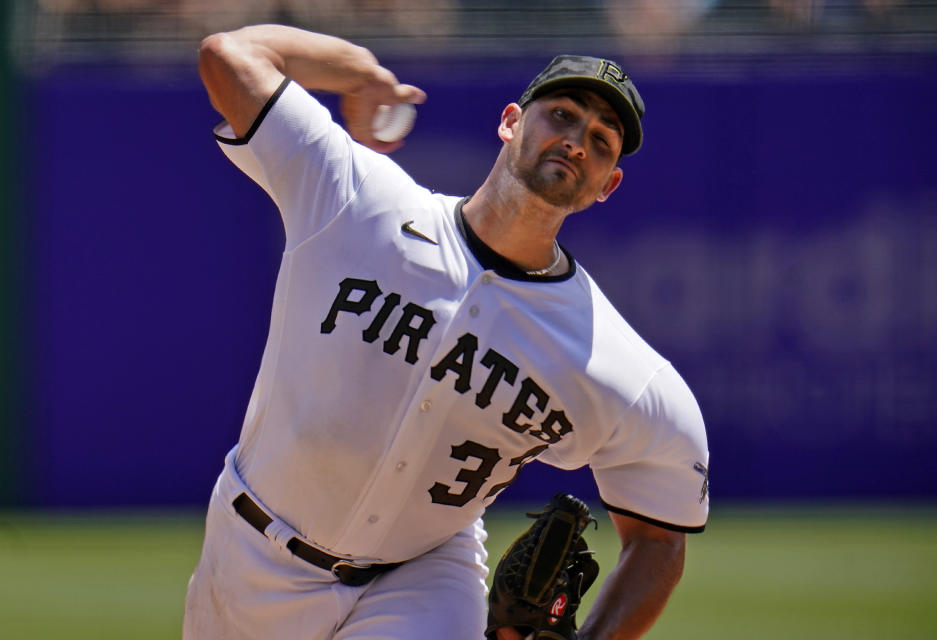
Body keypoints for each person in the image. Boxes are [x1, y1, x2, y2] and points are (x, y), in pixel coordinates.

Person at [186, 23, 709, 640]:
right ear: (511, 121)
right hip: (249, 550)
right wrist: (357, 69)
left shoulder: (615, 363)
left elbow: (659, 536)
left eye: (600, 142)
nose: (575, 142)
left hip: (425, 578)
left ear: (607, 185)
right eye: (562, 115)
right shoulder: (357, 197)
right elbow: (229, 57)